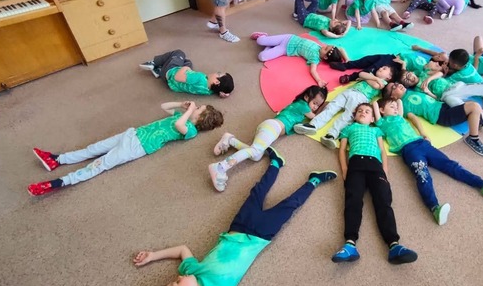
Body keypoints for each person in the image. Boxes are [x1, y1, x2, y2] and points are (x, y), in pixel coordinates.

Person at [135, 151, 337, 286]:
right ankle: (314, 181)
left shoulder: (190, 270)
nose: (178, 277)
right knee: (290, 205)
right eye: (176, 283)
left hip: (239, 225)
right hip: (260, 235)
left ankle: (276, 164)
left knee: (257, 192)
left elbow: (181, 250)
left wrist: (153, 256)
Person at [29, 102, 224, 196]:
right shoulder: (182, 115)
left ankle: (59, 182)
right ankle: (58, 159)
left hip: (138, 146)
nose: (195, 107)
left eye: (198, 109)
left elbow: (178, 125)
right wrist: (181, 105)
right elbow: (164, 106)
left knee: (100, 164)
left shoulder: (191, 131)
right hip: (132, 134)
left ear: (200, 118)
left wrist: (188, 111)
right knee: (94, 148)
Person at [373, 98, 483, 225]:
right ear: (381, 110)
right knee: (423, 176)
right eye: (392, 107)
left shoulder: (399, 116)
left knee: (451, 165)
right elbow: (375, 104)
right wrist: (382, 102)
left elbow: (399, 102)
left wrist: (394, 102)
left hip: (423, 144)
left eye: (396, 107)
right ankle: (434, 208)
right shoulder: (381, 123)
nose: (396, 108)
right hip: (409, 150)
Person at [332, 102, 418, 264]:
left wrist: (385, 171)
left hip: (375, 165)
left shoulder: (376, 130)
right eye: (359, 111)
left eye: (367, 111)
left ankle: (394, 245)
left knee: (384, 201)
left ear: (372, 118)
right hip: (356, 165)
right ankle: (350, 244)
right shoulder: (349, 129)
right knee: (353, 200)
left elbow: (382, 151)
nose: (363, 113)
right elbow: (342, 150)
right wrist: (344, 169)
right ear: (355, 116)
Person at [208, 86, 328, 191]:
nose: (315, 107)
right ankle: (220, 167)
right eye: (315, 103)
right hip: (273, 127)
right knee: (255, 151)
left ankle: (230, 140)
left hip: (269, 127)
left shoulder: (298, 105)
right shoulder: (303, 106)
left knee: (256, 156)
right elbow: (315, 117)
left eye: (318, 105)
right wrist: (325, 107)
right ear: (306, 97)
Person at [382, 82, 483, 157]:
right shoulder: (403, 104)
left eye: (396, 83)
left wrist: (429, 92)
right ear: (392, 97)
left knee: (469, 104)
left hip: (443, 105)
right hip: (442, 116)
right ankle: (473, 138)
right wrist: (423, 133)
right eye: (393, 88)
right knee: (473, 106)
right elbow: (413, 119)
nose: (397, 85)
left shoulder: (412, 90)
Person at [293, 64, 398, 149]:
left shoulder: (383, 83)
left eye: (384, 69)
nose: (380, 68)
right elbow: (361, 73)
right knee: (331, 107)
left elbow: (374, 84)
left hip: (361, 97)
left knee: (347, 117)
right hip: (349, 92)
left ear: (388, 77)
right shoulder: (373, 76)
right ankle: (313, 125)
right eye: (382, 67)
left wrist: (366, 78)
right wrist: (372, 77)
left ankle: (331, 135)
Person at [251, 32, 347, 87]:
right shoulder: (321, 48)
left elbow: (313, 70)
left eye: (325, 48)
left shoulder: (315, 58)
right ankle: (263, 36)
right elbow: (341, 49)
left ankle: (270, 47)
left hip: (285, 49)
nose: (324, 46)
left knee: (261, 56)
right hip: (288, 38)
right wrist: (347, 59)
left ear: (325, 57)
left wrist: (319, 80)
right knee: (260, 40)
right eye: (326, 46)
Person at [139, 49, 234, 97]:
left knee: (179, 53)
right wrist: (225, 93)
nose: (216, 72)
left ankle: (153, 63)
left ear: (217, 82)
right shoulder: (209, 91)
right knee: (188, 62)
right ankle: (158, 70)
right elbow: (219, 91)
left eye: (218, 74)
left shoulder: (199, 77)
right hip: (173, 85)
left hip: (170, 72)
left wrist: (185, 68)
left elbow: (177, 77)